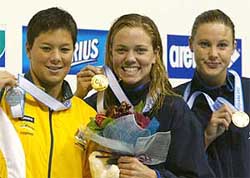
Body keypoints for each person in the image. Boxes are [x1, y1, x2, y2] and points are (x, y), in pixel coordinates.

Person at [75, 13, 215, 178]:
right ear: (111, 53)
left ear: (155, 54)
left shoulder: (174, 109)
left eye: (140, 50)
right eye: (121, 50)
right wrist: (77, 99)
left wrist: (155, 176)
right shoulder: (96, 104)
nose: (130, 58)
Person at [0, 7, 96, 178]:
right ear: (28, 50)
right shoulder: (3, 101)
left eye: (65, 49)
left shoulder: (87, 116)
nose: (56, 57)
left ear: (74, 51)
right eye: (46, 48)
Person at [174, 9, 250, 178]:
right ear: (191, 45)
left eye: (222, 45)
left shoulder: (247, 90)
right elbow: (171, 168)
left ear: (233, 48)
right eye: (205, 44)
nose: (213, 54)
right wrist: (205, 137)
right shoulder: (174, 101)